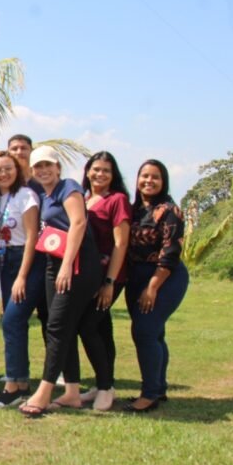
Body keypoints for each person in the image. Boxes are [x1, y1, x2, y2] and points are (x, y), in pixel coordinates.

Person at [19, 146, 104, 417]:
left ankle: (44, 392)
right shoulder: (45, 196)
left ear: (58, 167)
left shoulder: (68, 187)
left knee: (56, 327)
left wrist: (67, 265)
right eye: (38, 166)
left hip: (77, 265)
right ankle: (72, 392)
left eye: (48, 165)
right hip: (53, 264)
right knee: (61, 327)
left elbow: (78, 223)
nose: (43, 170)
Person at [124, 159, 188, 413]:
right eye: (145, 176)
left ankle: (149, 394)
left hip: (164, 277)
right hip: (135, 276)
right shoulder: (134, 210)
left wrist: (152, 287)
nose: (149, 181)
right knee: (155, 333)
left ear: (163, 182)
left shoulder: (169, 211)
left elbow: (170, 252)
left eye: (155, 177)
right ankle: (158, 388)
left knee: (145, 331)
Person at [0, 151, 41, 408]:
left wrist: (22, 277)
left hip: (24, 261)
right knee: (16, 324)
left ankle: (12, 388)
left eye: (8, 168)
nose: (3, 174)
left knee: (11, 321)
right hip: (5, 261)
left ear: (17, 170)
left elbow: (32, 238)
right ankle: (22, 382)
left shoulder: (26, 195)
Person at [78, 152, 131, 411]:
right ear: (88, 171)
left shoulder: (117, 200)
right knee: (102, 328)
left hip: (110, 276)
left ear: (113, 175)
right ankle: (104, 385)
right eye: (96, 169)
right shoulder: (84, 199)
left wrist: (109, 282)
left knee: (87, 327)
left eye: (106, 171)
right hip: (89, 275)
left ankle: (105, 386)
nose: (100, 174)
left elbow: (121, 243)